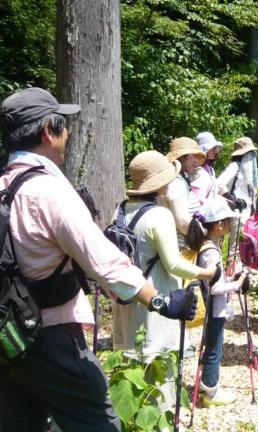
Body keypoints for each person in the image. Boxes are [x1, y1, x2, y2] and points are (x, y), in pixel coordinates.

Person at [0, 87, 196, 432]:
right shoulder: (48, 190)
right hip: (50, 338)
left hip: (8, 337)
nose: (68, 132)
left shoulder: (4, 186)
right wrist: (162, 300)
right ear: (48, 131)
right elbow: (102, 260)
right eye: (63, 125)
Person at [112, 151, 216, 362]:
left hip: (128, 294)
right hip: (157, 297)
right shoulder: (159, 215)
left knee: (131, 365)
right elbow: (173, 264)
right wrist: (206, 273)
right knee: (159, 370)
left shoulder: (121, 210)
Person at [186, 198, 245, 406]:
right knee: (214, 349)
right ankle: (211, 391)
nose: (230, 226)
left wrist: (230, 279)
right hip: (214, 309)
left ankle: (206, 383)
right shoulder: (211, 252)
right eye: (228, 222)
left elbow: (214, 281)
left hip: (211, 307)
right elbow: (216, 288)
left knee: (211, 345)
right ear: (219, 225)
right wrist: (237, 284)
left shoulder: (206, 245)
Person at [215, 136, 258, 266]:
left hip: (245, 215)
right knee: (234, 249)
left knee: (242, 246)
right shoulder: (235, 166)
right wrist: (233, 198)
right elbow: (218, 184)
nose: (251, 157)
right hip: (235, 214)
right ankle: (231, 277)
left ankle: (238, 276)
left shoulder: (249, 173)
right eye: (249, 153)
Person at [159, 137, 205, 249]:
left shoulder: (181, 178)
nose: (197, 161)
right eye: (193, 156)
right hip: (181, 249)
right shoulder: (176, 183)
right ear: (181, 157)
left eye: (198, 157)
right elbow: (183, 223)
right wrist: (209, 231)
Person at [192, 131, 223, 203]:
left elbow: (213, 193)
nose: (215, 151)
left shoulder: (210, 169)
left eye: (215, 148)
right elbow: (198, 197)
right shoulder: (196, 170)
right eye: (212, 148)